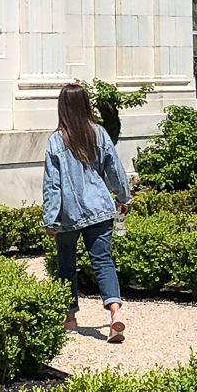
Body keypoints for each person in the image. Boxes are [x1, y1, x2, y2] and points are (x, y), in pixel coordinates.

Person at [43, 78, 132, 343]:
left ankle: (70, 319)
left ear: (62, 107)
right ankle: (115, 313)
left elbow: (52, 185)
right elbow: (114, 169)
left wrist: (50, 219)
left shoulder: (56, 141)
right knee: (103, 261)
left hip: (68, 215)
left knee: (66, 266)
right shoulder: (99, 133)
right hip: (100, 209)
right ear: (86, 105)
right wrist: (124, 196)